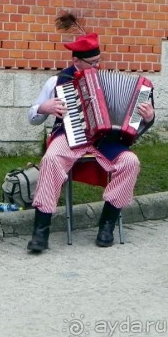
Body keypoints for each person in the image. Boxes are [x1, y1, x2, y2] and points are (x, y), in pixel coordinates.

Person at [27, 31, 155, 253]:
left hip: (105, 140)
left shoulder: (106, 80)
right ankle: (40, 232)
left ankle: (107, 225)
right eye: (92, 63)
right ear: (75, 60)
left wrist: (149, 117)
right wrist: (43, 108)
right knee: (51, 159)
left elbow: (134, 124)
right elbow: (32, 117)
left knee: (130, 162)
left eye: (98, 61)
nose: (96, 67)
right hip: (69, 135)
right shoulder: (57, 81)